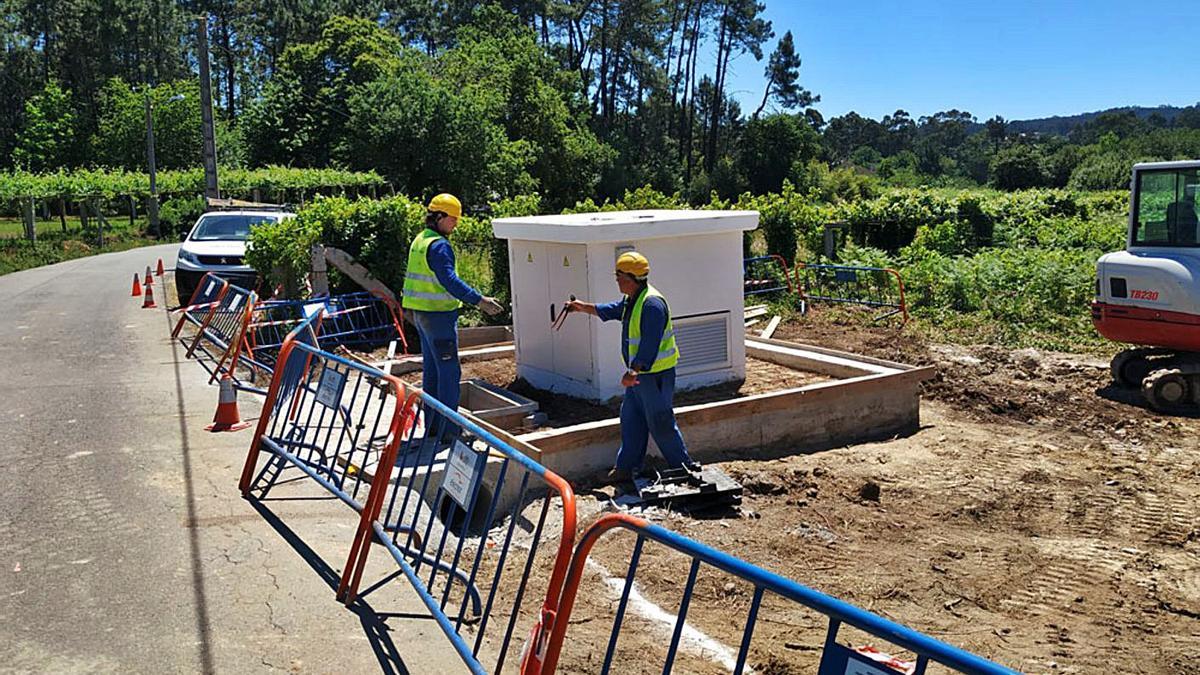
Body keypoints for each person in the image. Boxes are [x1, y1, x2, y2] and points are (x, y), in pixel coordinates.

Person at [565, 252, 699, 489]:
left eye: (619, 275)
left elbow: (650, 343)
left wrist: (634, 372)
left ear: (631, 277)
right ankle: (626, 469)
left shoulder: (652, 304)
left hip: (654, 375)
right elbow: (612, 310)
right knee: (632, 420)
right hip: (641, 378)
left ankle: (684, 469)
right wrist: (582, 307)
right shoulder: (633, 299)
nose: (616, 280)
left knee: (660, 422)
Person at [402, 193, 504, 414]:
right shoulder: (439, 246)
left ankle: (432, 427)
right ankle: (448, 432)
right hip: (439, 316)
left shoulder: (421, 239)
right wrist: (480, 301)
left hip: (422, 315)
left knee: (432, 372)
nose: (456, 224)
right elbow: (450, 281)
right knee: (448, 374)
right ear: (439, 216)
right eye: (453, 219)